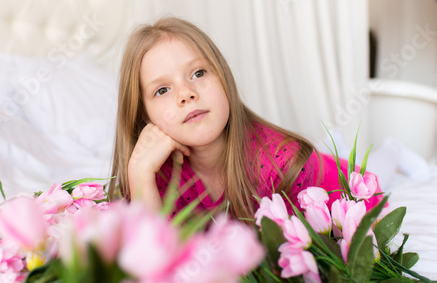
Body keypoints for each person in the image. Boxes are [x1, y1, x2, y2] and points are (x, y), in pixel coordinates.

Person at [107, 17, 382, 222]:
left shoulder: (284, 165)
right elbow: (149, 262)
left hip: (341, 180)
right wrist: (140, 174)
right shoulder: (154, 175)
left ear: (224, 78)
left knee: (374, 169)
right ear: (145, 115)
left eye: (199, 73)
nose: (186, 94)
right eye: (162, 90)